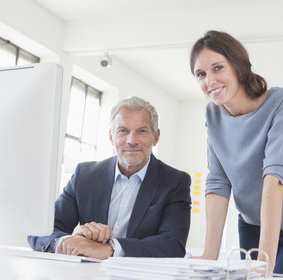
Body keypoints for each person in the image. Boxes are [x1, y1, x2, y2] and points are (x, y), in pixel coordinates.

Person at [189, 30, 283, 276]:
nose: (209, 81)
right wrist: (210, 254)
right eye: (201, 74)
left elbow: (273, 178)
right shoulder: (213, 115)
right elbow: (218, 182)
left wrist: (264, 262)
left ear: (238, 66)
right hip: (252, 226)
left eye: (218, 68)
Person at [28, 96, 191, 259]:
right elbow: (40, 231)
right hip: (84, 276)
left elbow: (173, 245)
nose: (131, 140)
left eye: (142, 131)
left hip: (139, 278)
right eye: (123, 131)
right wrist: (68, 243)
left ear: (156, 137)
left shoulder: (175, 182)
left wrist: (110, 249)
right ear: (111, 136)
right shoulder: (84, 175)